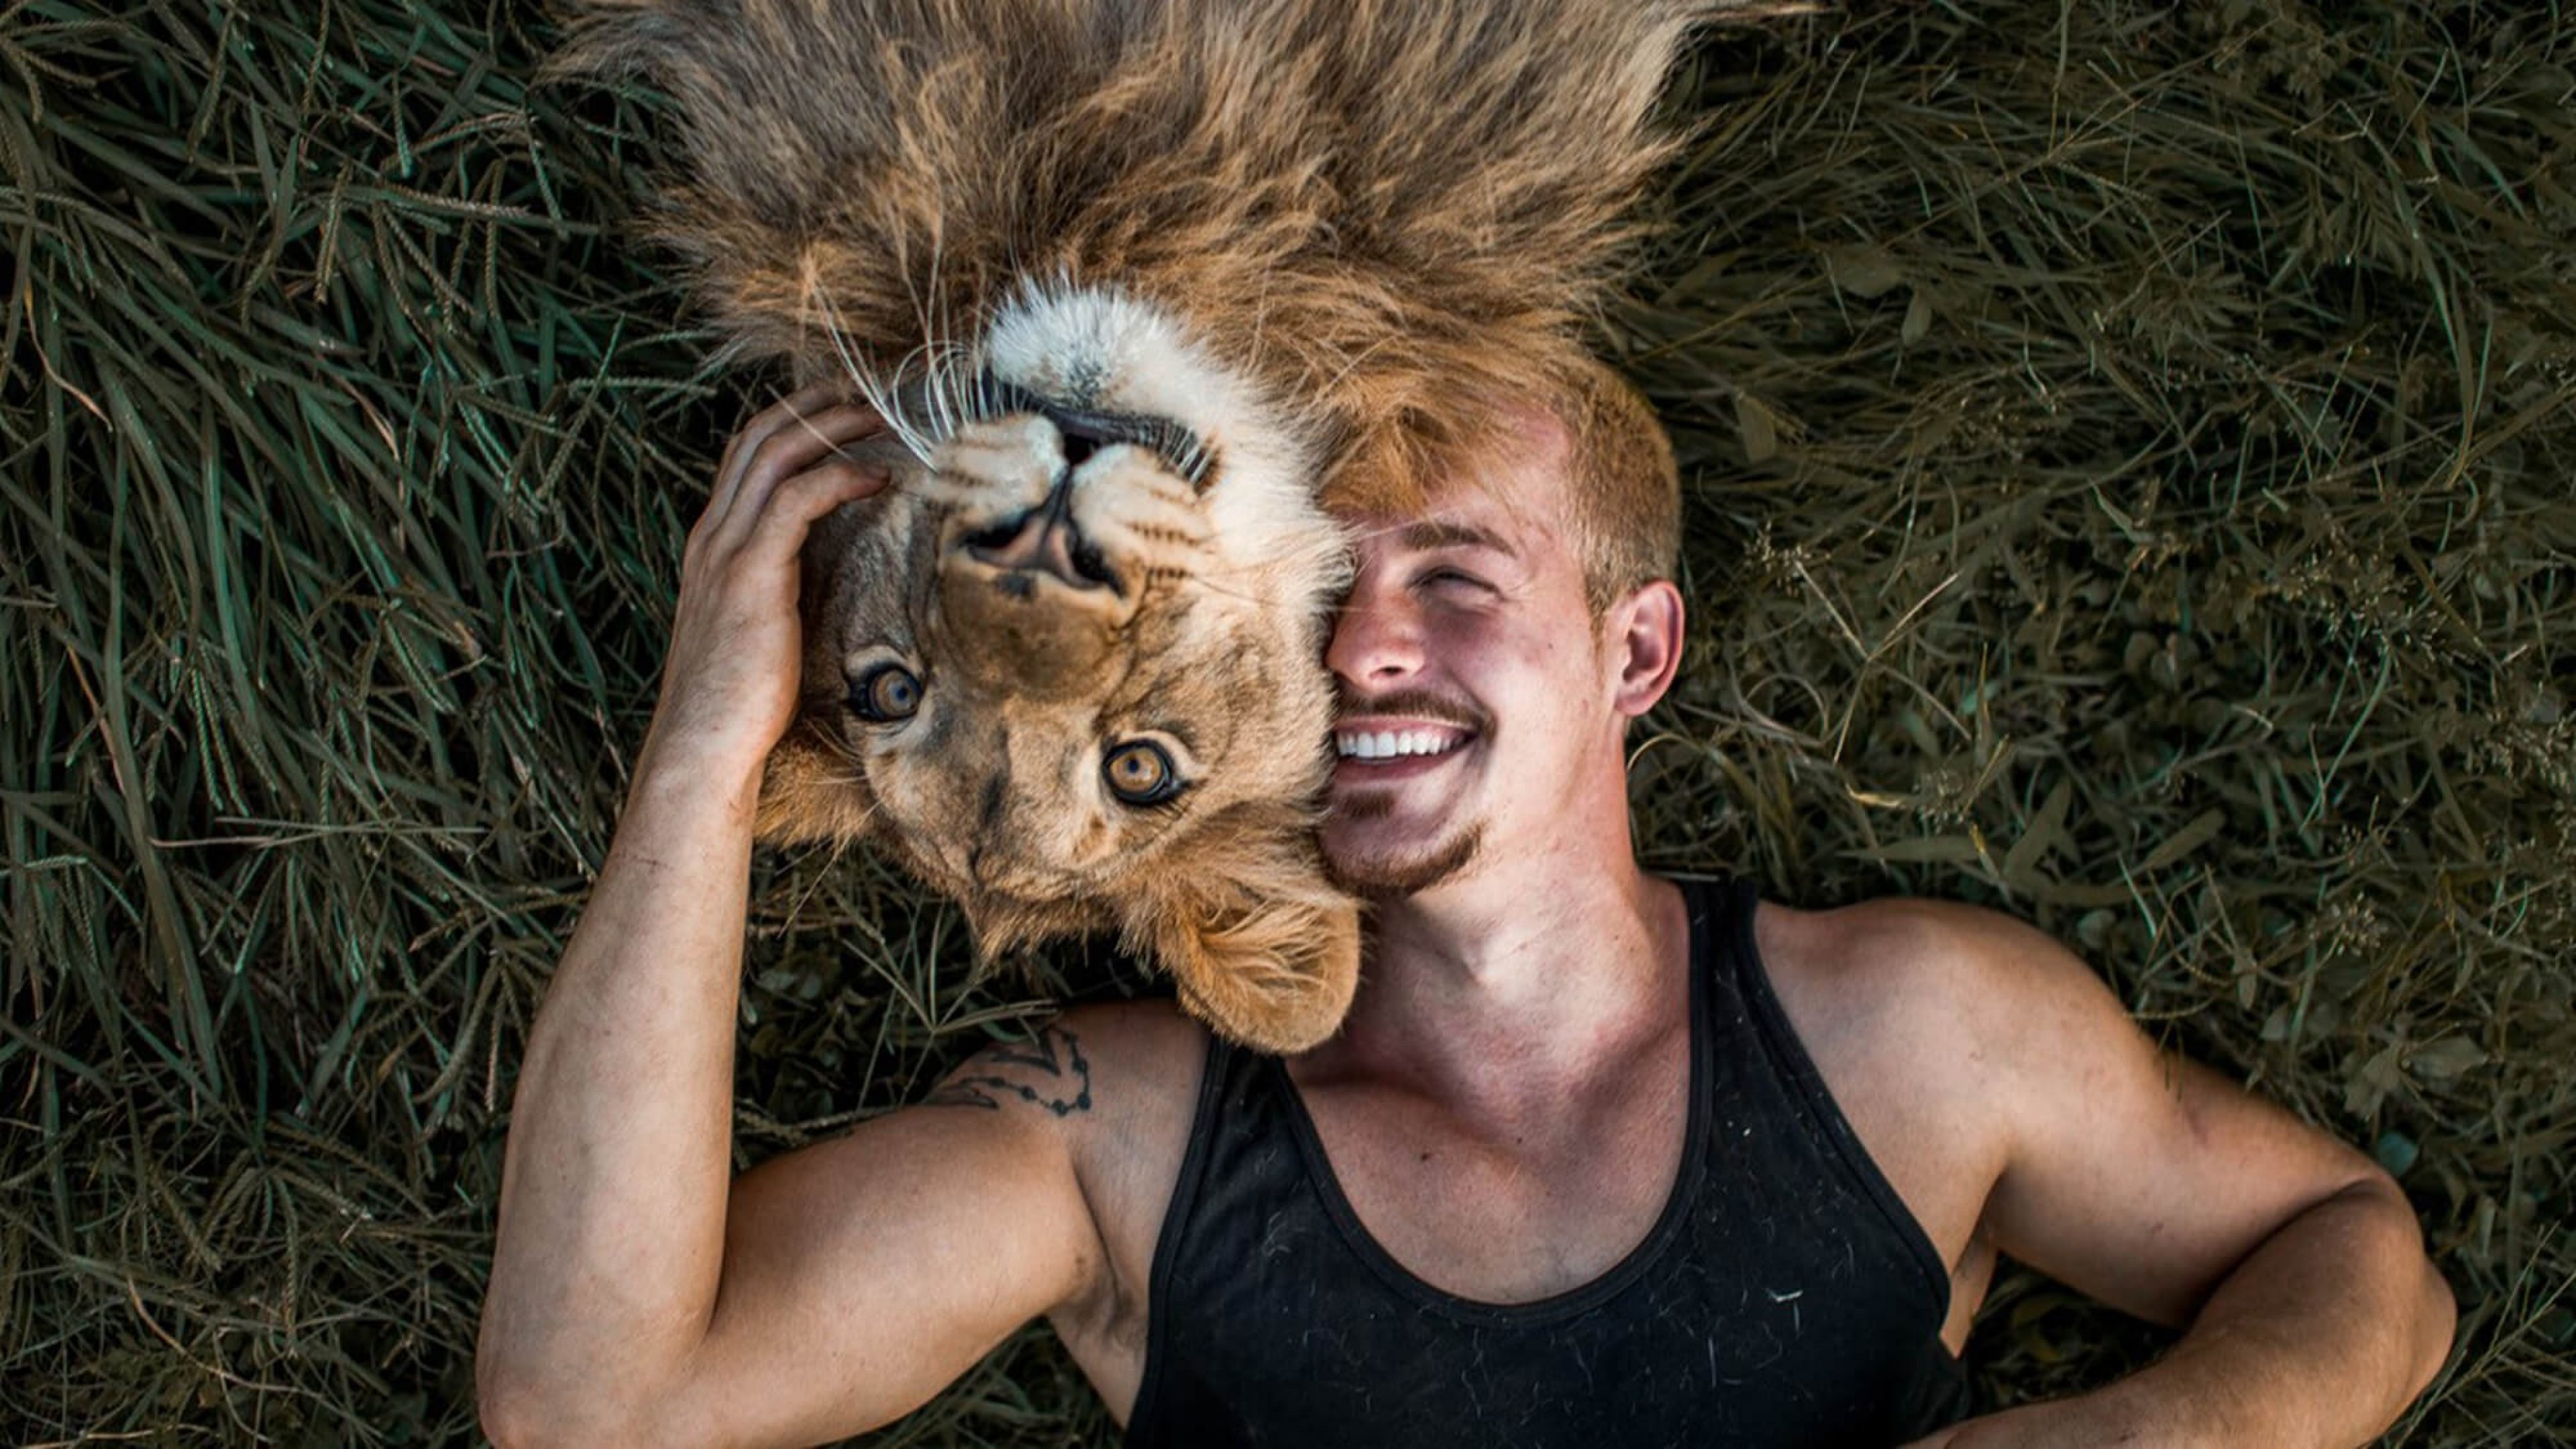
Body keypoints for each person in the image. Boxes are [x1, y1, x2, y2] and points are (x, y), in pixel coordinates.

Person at [476, 366, 2456, 1449]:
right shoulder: (1132, 1143)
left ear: (1636, 647)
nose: (1366, 655)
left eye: (1454, 576)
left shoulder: (1917, 1036)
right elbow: (591, 1407)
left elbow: (2354, 1249)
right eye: (1319, 598)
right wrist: (709, 750)